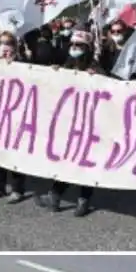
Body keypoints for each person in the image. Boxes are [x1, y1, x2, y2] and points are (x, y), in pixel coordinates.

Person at [36, 29, 99, 217]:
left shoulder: (95, 66)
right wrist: (56, 73)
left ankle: (83, 200)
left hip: (89, 124)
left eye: (79, 45)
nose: (74, 48)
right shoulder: (68, 64)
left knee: (85, 162)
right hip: (68, 123)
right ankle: (55, 196)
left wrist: (96, 76)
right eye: (72, 45)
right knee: (65, 159)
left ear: (87, 48)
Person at [0, 31, 27, 203]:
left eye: (9, 43)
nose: (4, 46)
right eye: (1, 42)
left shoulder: (24, 65)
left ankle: (17, 189)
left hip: (16, 116)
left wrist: (15, 66)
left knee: (14, 154)